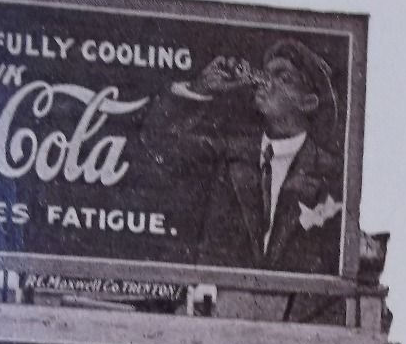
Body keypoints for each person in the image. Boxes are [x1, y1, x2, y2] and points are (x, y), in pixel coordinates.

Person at [146, 39, 346, 279]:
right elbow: (158, 142)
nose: (265, 82)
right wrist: (201, 88)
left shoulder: (334, 174)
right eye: (266, 73)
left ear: (308, 102)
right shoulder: (228, 151)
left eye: (284, 78)